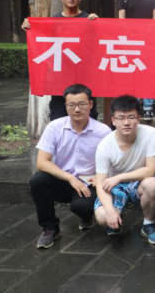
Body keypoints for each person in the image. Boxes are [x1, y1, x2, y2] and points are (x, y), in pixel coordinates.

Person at [30, 84, 112, 249]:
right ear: (65, 106)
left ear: (90, 104)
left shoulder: (103, 132)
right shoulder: (55, 127)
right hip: (62, 180)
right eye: (72, 105)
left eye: (82, 104)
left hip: (88, 183)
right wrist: (69, 178)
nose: (77, 109)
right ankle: (50, 228)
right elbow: (42, 162)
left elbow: (112, 163)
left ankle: (86, 215)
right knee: (38, 180)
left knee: (82, 207)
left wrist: (98, 178)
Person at [21, 0, 100, 121]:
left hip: (85, 80)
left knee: (88, 123)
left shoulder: (89, 20)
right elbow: (42, 45)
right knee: (58, 121)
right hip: (59, 81)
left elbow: (98, 46)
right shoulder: (53, 21)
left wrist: (98, 25)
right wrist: (30, 29)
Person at [94, 95, 155, 244]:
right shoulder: (104, 146)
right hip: (114, 186)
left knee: (153, 184)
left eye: (131, 117)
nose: (126, 122)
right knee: (103, 217)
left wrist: (119, 177)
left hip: (139, 182)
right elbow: (100, 184)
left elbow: (150, 170)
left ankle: (148, 224)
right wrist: (110, 211)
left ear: (139, 118)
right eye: (120, 118)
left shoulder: (151, 134)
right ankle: (116, 219)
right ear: (113, 120)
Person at [118, 0, 155, 120]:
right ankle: (134, 103)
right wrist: (130, 35)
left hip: (149, 40)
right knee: (132, 72)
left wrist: (147, 34)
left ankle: (148, 105)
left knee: (148, 72)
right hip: (130, 41)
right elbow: (121, 19)